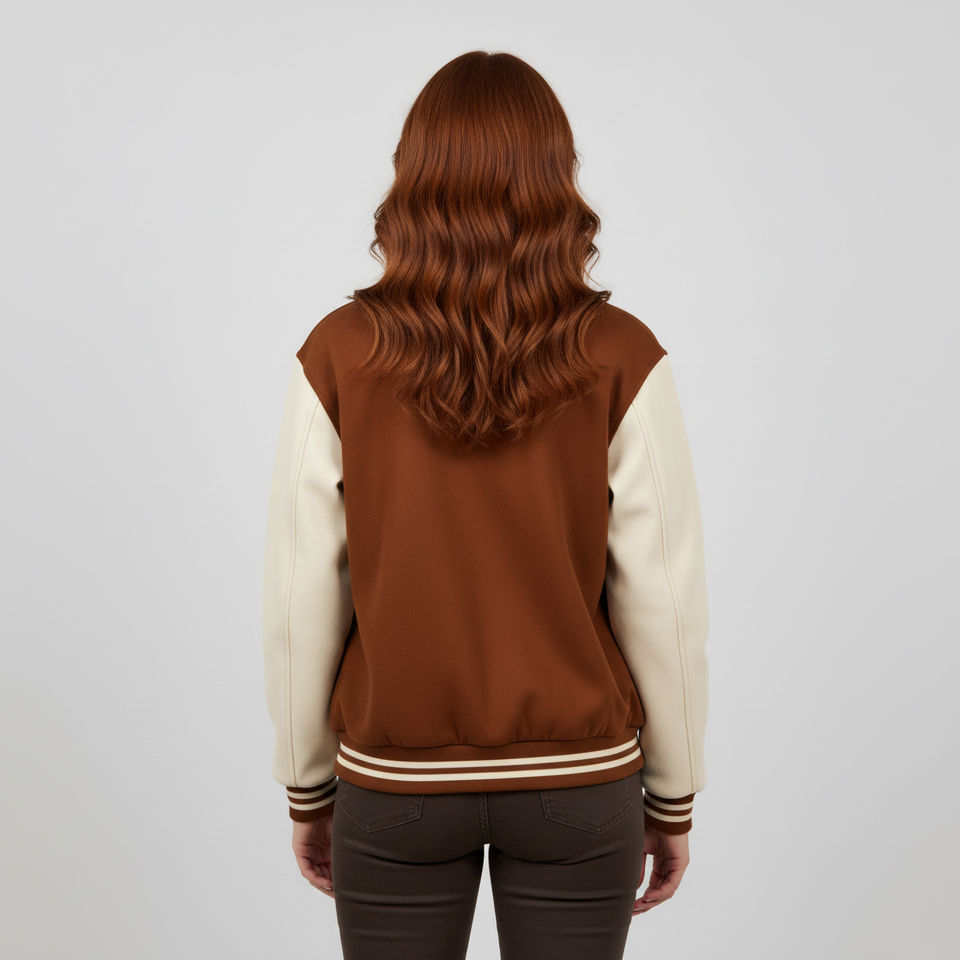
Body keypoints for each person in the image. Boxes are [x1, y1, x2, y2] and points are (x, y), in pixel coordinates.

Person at [261, 49, 710, 960]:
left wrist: (307, 784)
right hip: (578, 785)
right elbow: (664, 599)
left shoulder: (338, 354)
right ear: (558, 180)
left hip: (395, 784)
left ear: (412, 178)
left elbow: (302, 597)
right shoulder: (623, 354)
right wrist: (673, 794)